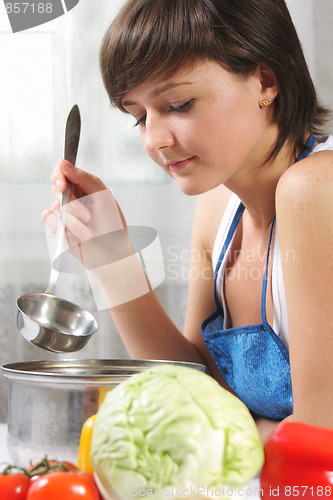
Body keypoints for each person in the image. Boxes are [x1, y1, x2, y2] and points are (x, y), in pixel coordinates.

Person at [42, 0, 333, 443]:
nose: (156, 139)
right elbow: (193, 392)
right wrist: (112, 261)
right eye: (139, 117)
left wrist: (230, 431)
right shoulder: (218, 209)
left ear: (265, 81)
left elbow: (318, 439)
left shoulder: (317, 189)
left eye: (179, 103)